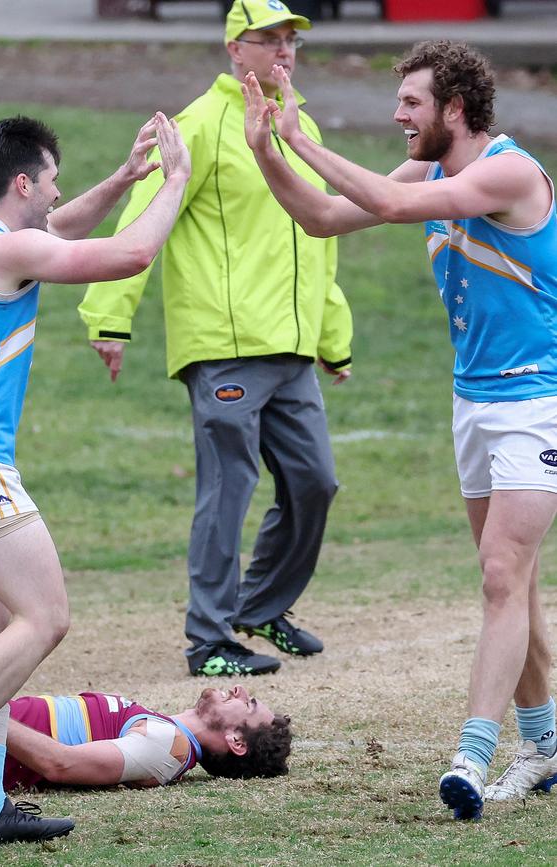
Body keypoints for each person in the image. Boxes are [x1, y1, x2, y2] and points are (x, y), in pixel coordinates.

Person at [242, 40, 557, 819]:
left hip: (537, 401)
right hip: (473, 402)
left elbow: (387, 207)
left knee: (499, 574)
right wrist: (266, 150)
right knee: (516, 584)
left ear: (455, 108)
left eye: (411, 103)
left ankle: (472, 756)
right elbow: (322, 218)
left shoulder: (510, 172)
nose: (397, 116)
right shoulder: (433, 168)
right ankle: (547, 746)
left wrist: (299, 135)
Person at [0, 113, 190, 846]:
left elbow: (57, 227)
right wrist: (174, 183)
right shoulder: (5, 248)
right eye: (51, 179)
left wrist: (126, 178)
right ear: (23, 181)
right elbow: (129, 254)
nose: (58, 193)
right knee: (46, 617)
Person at [78, 0, 353, 679]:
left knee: (316, 482)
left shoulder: (299, 125)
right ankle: (208, 641)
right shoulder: (197, 125)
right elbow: (145, 214)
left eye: (291, 40)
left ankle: (260, 606)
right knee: (227, 487)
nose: (284, 51)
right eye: (268, 39)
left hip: (291, 349)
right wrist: (110, 317)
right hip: (223, 345)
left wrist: (333, 335)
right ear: (235, 49)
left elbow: (317, 238)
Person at [0, 630, 291, 789]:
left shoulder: (166, 747)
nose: (240, 690)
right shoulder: (161, 728)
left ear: (236, 741)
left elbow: (62, 763)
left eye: (249, 704)